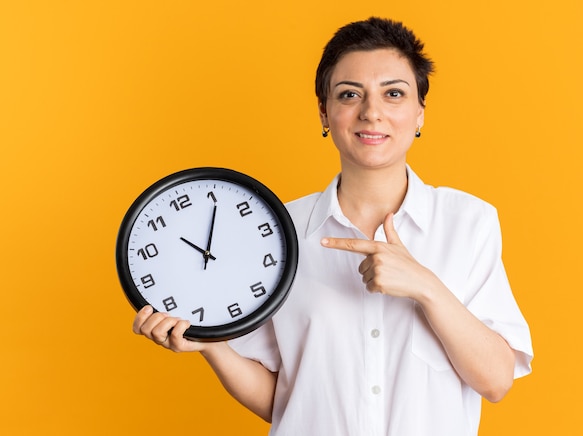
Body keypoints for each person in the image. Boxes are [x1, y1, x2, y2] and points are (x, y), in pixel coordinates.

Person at [133, 17, 533, 435]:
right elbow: (283, 399)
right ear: (325, 112)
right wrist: (212, 347)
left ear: (419, 113)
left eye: (393, 93)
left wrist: (425, 286)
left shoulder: (468, 222)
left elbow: (496, 381)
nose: (371, 113)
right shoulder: (273, 231)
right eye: (349, 94)